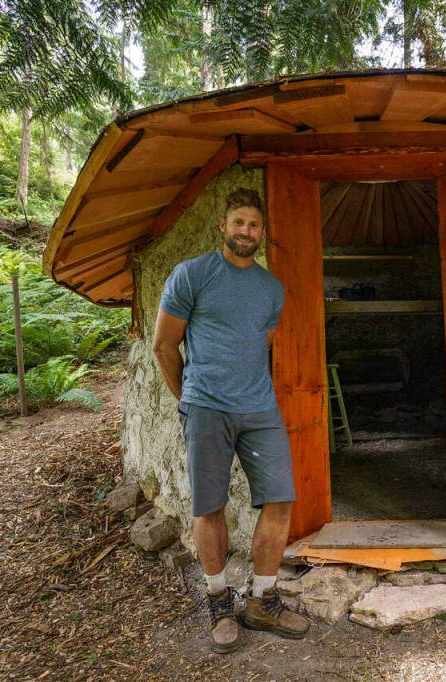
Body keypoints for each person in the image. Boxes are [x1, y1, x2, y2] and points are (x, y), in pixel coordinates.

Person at [152, 188, 309, 654]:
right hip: (207, 407)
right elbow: (164, 346)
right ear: (223, 226)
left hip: (259, 408)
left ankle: (262, 600)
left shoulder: (270, 288)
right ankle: (219, 599)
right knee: (209, 507)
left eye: (254, 225)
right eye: (238, 222)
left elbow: (261, 344)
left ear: (262, 233)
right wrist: (192, 401)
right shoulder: (192, 274)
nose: (246, 231)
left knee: (280, 500)